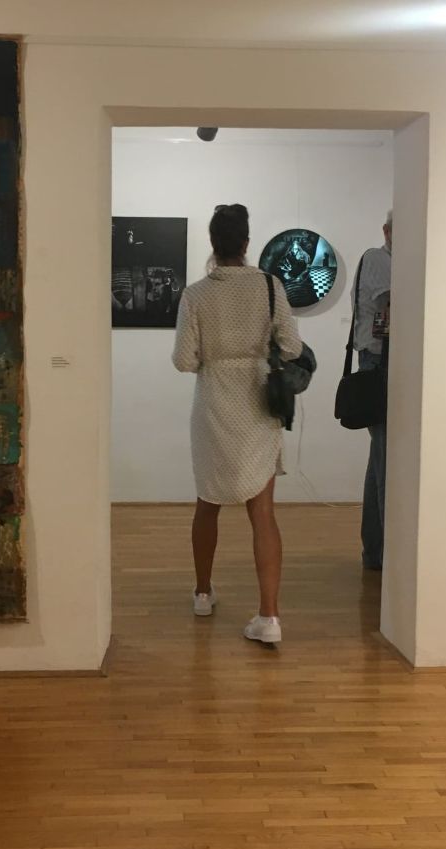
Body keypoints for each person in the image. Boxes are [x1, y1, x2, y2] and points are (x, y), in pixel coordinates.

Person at [172, 204, 302, 643]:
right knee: (262, 513)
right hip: (257, 405)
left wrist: (215, 357)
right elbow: (291, 346)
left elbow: (183, 360)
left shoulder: (196, 295)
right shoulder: (269, 286)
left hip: (213, 404)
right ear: (247, 243)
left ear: (213, 244)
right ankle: (269, 617)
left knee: (207, 503)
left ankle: (202, 593)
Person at [354, 211, 392, 571]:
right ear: (386, 231)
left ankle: (377, 553)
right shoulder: (378, 259)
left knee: (380, 458)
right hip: (380, 364)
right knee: (386, 460)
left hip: (382, 363)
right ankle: (390, 557)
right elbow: (393, 304)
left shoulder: (389, 260)